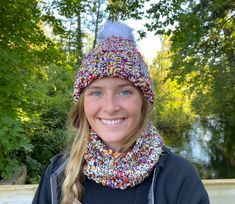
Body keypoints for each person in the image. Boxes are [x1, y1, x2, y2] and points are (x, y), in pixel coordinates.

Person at [32, 21, 210, 204]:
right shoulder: (57, 175)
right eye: (96, 92)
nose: (110, 107)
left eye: (125, 91)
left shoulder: (178, 178)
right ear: (83, 104)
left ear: (143, 102)